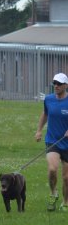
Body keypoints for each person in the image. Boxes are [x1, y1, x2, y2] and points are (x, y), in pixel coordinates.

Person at [35, 73, 68, 211]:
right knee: (52, 169)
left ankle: (65, 202)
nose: (56, 86)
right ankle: (53, 193)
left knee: (66, 178)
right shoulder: (48, 99)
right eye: (54, 83)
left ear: (66, 85)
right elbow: (45, 114)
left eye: (59, 84)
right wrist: (39, 130)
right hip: (52, 140)